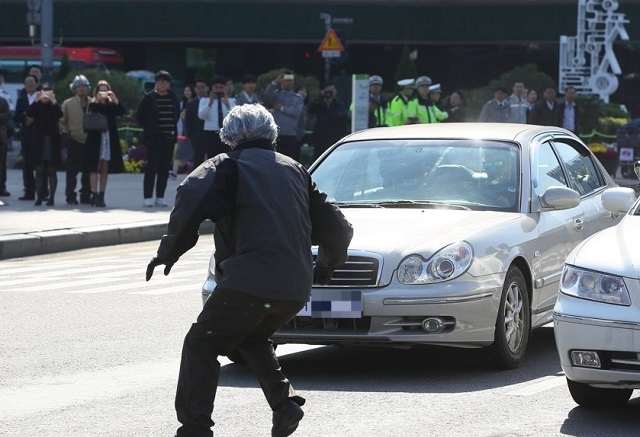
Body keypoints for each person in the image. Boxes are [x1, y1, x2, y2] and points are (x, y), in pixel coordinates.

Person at [145, 103, 353, 437]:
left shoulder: (225, 166)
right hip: (295, 288)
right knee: (251, 337)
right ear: (273, 134)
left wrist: (167, 253)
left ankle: (194, 429)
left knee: (201, 344)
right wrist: (323, 268)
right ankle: (284, 405)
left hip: (247, 284)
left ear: (228, 137)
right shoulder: (296, 169)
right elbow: (339, 229)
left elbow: (190, 200)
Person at [135, 70, 180, 207]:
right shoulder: (148, 98)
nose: (162, 84)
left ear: (168, 84)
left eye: (165, 82)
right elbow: (139, 117)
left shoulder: (173, 97)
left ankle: (160, 196)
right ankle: (147, 197)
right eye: (160, 81)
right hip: (154, 138)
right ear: (156, 83)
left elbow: (176, 114)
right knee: (152, 168)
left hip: (169, 137)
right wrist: (149, 130)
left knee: (164, 168)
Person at [84, 80, 125, 207]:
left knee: (105, 167)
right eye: (100, 90)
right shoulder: (93, 104)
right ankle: (94, 194)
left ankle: (102, 194)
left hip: (108, 138)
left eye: (105, 90)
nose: (103, 93)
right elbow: (92, 111)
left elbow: (121, 112)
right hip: (95, 138)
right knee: (94, 166)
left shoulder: (112, 105)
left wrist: (115, 99)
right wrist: (98, 100)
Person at [26, 87, 63, 206]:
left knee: (52, 169)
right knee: (39, 170)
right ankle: (39, 197)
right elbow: (29, 113)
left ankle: (51, 196)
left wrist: (53, 101)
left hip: (52, 140)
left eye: (47, 94)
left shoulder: (53, 106)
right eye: (43, 94)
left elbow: (60, 114)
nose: (45, 96)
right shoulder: (36, 106)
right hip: (38, 141)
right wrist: (36, 100)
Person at [61, 74, 93, 205]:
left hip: (90, 141)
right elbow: (61, 121)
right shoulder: (67, 103)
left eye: (84, 86)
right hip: (73, 141)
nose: (81, 89)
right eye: (78, 86)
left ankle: (86, 195)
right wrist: (64, 133)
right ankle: (70, 196)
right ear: (74, 89)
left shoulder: (93, 102)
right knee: (71, 172)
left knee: (88, 171)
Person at [264, 72, 304, 161]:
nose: (288, 83)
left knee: (291, 161)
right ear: (282, 82)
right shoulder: (277, 95)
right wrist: (275, 82)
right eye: (286, 80)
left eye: (290, 80)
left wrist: (281, 108)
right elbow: (267, 93)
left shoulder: (298, 98)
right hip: (278, 135)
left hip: (291, 136)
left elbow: (296, 112)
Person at [197, 75, 235, 162]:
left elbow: (235, 116)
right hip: (210, 132)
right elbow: (201, 116)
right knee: (212, 158)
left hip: (226, 132)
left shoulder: (231, 101)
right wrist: (210, 103)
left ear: (225, 88)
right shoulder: (204, 100)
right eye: (216, 87)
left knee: (227, 158)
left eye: (221, 87)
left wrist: (227, 104)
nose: (218, 90)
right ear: (212, 88)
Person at [308, 82, 349, 161]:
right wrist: (321, 99)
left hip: (334, 136)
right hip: (320, 137)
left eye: (332, 91)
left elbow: (341, 117)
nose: (329, 94)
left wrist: (329, 105)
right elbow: (311, 108)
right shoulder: (320, 102)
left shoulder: (338, 104)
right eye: (328, 91)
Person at [13, 74, 38, 200]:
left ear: (36, 84)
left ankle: (43, 192)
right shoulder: (21, 99)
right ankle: (29, 192)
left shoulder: (41, 98)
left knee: (40, 166)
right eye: (26, 82)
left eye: (31, 82)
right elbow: (16, 117)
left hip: (39, 135)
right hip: (27, 136)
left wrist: (35, 120)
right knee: (27, 165)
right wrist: (25, 119)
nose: (29, 84)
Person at [170, 85, 195, 180]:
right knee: (179, 152)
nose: (187, 92)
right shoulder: (182, 105)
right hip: (183, 133)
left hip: (193, 132)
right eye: (185, 90)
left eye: (189, 90)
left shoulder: (197, 102)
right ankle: (174, 173)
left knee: (195, 154)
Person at [184, 78, 209, 168]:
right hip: (197, 138)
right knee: (198, 163)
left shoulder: (212, 101)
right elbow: (188, 122)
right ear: (195, 89)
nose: (201, 89)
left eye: (203, 87)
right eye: (198, 87)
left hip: (211, 137)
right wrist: (192, 137)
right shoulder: (191, 104)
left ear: (207, 88)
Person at [0, 95, 11, 197]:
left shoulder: (3, 101)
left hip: (1, 138)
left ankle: (1, 188)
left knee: (1, 166)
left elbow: (7, 116)